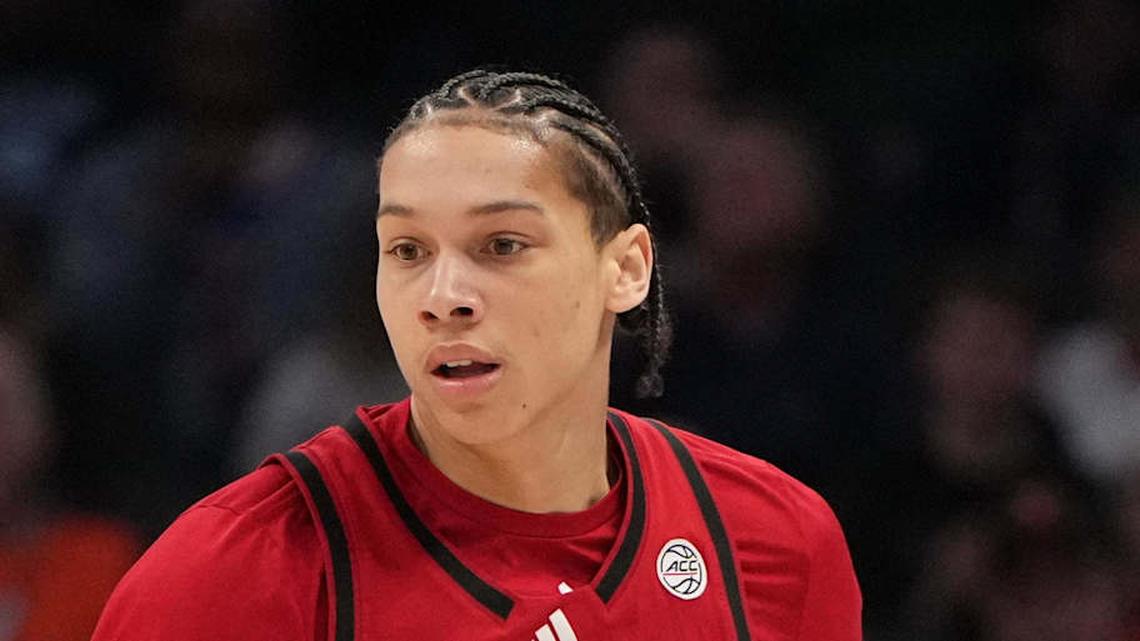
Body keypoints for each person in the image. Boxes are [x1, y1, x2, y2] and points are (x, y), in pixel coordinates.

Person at [92, 69, 861, 641]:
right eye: (408, 248)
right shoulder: (236, 568)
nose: (443, 294)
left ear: (624, 269)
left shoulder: (776, 539)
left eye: (501, 244)